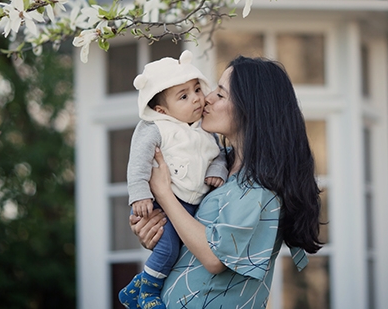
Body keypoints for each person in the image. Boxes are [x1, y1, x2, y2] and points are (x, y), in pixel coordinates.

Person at [130, 56, 322, 309]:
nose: (205, 98)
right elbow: (192, 232)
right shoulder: (219, 166)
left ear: (251, 108)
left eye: (220, 94)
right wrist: (156, 230)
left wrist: (163, 193)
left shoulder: (259, 187)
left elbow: (213, 257)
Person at [119, 50, 228, 309]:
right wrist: (140, 194)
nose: (197, 99)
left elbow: (219, 156)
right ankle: (147, 292)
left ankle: (138, 284)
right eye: (184, 96)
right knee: (167, 249)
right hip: (165, 204)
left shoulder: (206, 131)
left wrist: (217, 171)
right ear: (161, 109)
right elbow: (138, 161)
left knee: (180, 251)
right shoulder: (157, 128)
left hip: (191, 205)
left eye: (196, 90)